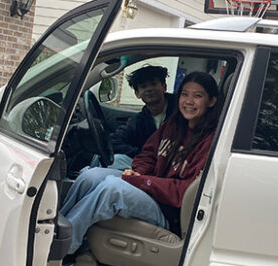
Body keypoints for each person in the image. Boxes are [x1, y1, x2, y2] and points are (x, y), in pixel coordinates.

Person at [60, 72, 221, 255]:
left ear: (211, 101)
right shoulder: (174, 125)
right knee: (91, 175)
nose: (189, 101)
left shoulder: (211, 141)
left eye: (197, 96)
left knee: (112, 188)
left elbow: (183, 192)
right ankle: (55, 232)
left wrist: (143, 182)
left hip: (168, 211)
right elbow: (149, 153)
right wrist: (137, 172)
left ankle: (63, 249)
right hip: (152, 191)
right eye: (185, 94)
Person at [109, 65, 176, 170]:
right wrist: (142, 155)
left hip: (175, 166)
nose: (149, 89)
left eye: (153, 84)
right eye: (144, 86)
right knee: (115, 161)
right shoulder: (139, 120)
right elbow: (115, 141)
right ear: (137, 94)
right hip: (149, 166)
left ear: (164, 86)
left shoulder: (180, 110)